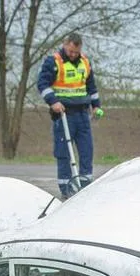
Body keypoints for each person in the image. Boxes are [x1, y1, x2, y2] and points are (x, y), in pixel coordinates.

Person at [37, 32, 103, 198]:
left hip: (82, 114)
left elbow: (91, 87)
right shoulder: (53, 62)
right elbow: (42, 84)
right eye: (71, 51)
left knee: (86, 151)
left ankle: (85, 187)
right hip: (64, 115)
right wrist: (53, 101)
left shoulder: (85, 62)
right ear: (65, 45)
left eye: (76, 52)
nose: (73, 54)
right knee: (64, 153)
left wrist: (96, 106)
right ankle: (66, 190)